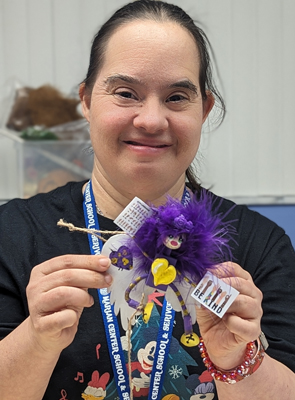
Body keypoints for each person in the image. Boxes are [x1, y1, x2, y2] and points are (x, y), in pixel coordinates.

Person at [0, 1, 295, 399]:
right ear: (86, 101)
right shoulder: (14, 234)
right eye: (125, 93)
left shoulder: (259, 244)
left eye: (176, 97)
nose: (152, 120)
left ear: (204, 109)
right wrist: (36, 340)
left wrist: (235, 361)